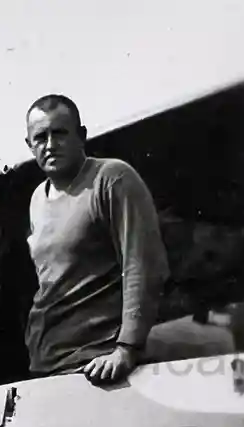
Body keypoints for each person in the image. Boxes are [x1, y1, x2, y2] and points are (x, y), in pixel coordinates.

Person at [23, 94, 171, 383]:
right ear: (29, 146)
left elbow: (143, 263)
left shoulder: (111, 178)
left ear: (82, 136)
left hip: (97, 362)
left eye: (60, 133)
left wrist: (126, 348)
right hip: (48, 363)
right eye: (40, 137)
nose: (50, 144)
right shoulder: (37, 199)